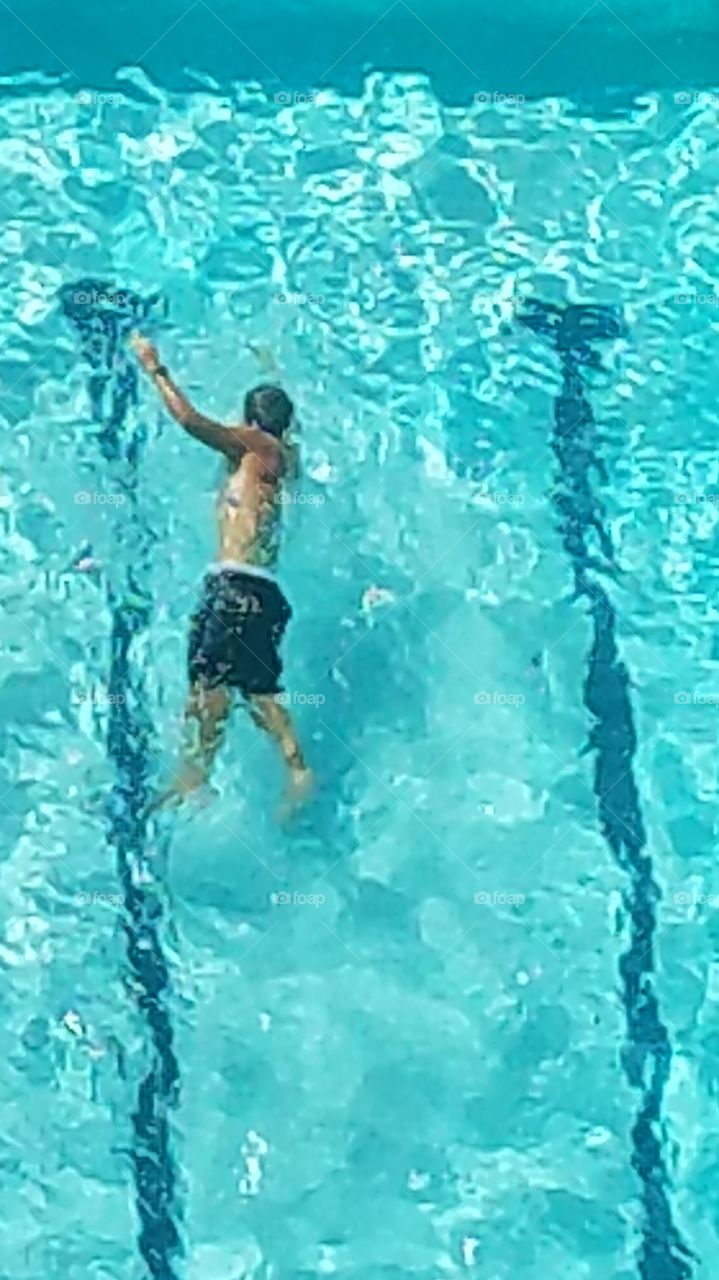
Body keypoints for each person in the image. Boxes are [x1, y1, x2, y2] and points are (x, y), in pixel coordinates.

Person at [130, 334, 313, 815]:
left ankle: (196, 773)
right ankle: (296, 766)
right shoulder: (287, 457)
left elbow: (190, 421)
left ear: (252, 422)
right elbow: (289, 423)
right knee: (256, 687)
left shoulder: (256, 445)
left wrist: (155, 368)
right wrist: (270, 362)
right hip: (263, 591)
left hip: (233, 586)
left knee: (207, 682)